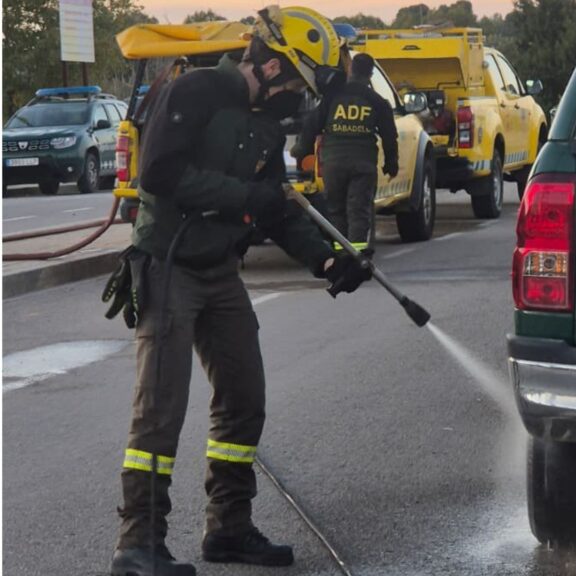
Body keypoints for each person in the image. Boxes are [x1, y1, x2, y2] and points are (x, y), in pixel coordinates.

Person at [108, 7, 367, 576]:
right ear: (272, 66)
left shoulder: (266, 125)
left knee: (244, 396)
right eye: (299, 82)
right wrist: (247, 200)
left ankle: (228, 528)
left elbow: (277, 205)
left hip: (219, 270)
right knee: (159, 411)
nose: (301, 98)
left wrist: (327, 259)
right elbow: (159, 175)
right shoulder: (194, 90)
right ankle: (138, 544)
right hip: (168, 265)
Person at [299, 52, 399, 252]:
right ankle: (358, 254)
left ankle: (341, 253)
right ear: (370, 74)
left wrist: (302, 152)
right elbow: (389, 137)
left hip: (333, 164)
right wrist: (391, 164)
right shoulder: (377, 101)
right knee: (358, 210)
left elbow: (312, 125)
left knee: (336, 210)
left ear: (351, 69)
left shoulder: (332, 97)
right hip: (363, 163)